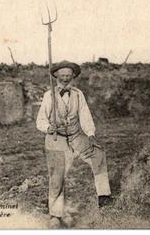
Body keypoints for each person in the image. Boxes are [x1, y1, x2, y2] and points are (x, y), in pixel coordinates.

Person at [36, 60, 112, 228]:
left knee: (98, 155)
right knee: (58, 176)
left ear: (72, 77)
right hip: (56, 139)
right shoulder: (49, 95)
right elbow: (40, 120)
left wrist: (91, 134)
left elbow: (85, 116)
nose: (65, 79)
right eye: (62, 76)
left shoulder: (78, 94)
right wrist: (49, 127)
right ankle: (55, 215)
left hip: (77, 136)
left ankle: (104, 198)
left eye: (68, 76)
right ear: (56, 76)